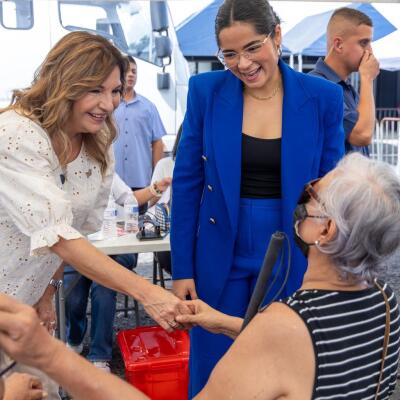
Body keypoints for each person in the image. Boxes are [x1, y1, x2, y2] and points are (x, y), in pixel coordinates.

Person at [0, 31, 187, 399]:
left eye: (114, 90)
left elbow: (67, 233)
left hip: (23, 310)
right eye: (95, 90)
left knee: (39, 390)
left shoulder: (98, 143)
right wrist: (148, 293)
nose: (108, 103)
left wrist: (46, 294)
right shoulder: (16, 133)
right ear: (64, 83)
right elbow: (57, 234)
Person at [170, 0, 345, 395]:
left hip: (294, 246)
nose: (243, 63)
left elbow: (330, 191)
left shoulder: (323, 97)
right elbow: (186, 184)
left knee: (283, 362)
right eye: (229, 54)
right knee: (214, 364)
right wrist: (182, 269)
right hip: (219, 246)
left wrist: (331, 266)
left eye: (252, 48)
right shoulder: (206, 91)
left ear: (276, 35)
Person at [175, 153, 400, 400]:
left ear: (326, 230)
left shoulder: (283, 325)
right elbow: (302, 348)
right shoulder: (386, 301)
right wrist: (221, 322)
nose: (301, 200)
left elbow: (284, 340)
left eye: (311, 194)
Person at [65, 173, 171, 372]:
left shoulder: (105, 171)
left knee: (104, 285)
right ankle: (75, 337)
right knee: (72, 293)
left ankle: (99, 355)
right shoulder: (61, 176)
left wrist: (156, 188)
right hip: (79, 250)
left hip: (116, 248)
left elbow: (130, 200)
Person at [309, 7, 380, 156]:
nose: (370, 51)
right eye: (363, 43)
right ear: (338, 45)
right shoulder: (316, 85)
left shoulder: (346, 89)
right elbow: (362, 135)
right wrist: (367, 78)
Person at [114, 56, 167, 213]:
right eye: (127, 71)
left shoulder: (148, 108)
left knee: (139, 224)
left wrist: (156, 176)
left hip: (141, 181)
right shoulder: (109, 106)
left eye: (134, 71)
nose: (131, 74)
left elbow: (157, 142)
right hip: (112, 182)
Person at [150, 125, 183, 274]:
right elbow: (151, 202)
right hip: (166, 232)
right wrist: (162, 188)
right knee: (168, 256)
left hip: (193, 234)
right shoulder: (165, 164)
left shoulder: (205, 166)